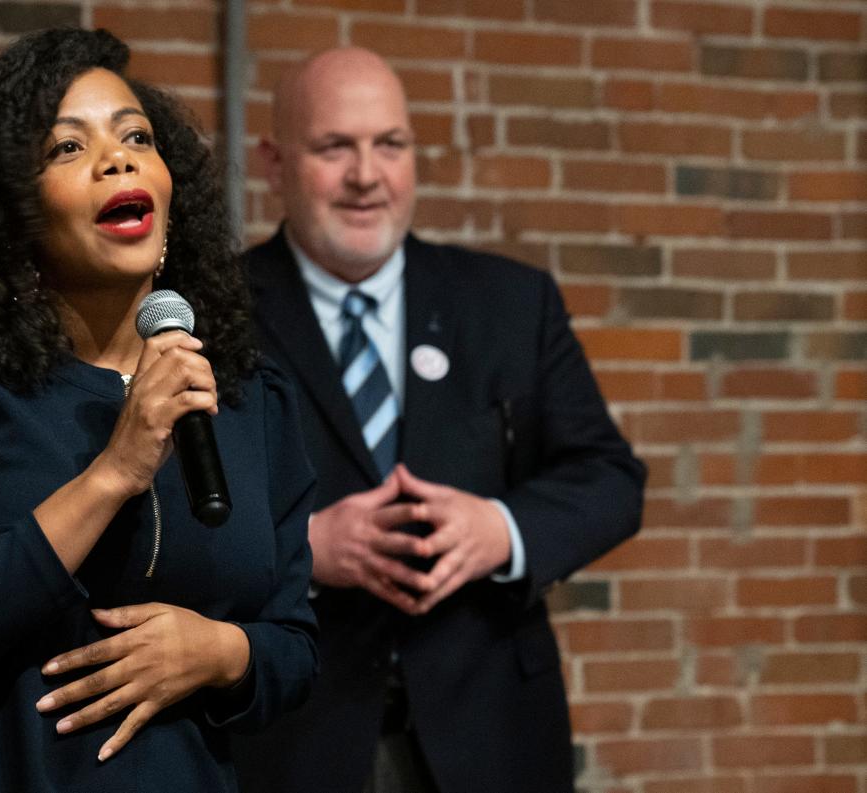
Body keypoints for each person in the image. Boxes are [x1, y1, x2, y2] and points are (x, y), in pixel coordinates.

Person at [0, 28, 318, 793]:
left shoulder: (244, 393)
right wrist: (115, 471)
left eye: (137, 137)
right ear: (11, 208)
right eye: (67, 148)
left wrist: (220, 652)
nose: (117, 158)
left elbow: (294, 641)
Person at [229, 48, 647, 793]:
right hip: (292, 742)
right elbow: (155, 523)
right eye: (335, 147)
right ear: (274, 162)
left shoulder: (512, 303)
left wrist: (501, 530)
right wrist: (303, 546)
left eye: (390, 144)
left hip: (493, 736)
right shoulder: (212, 317)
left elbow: (609, 477)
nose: (367, 174)